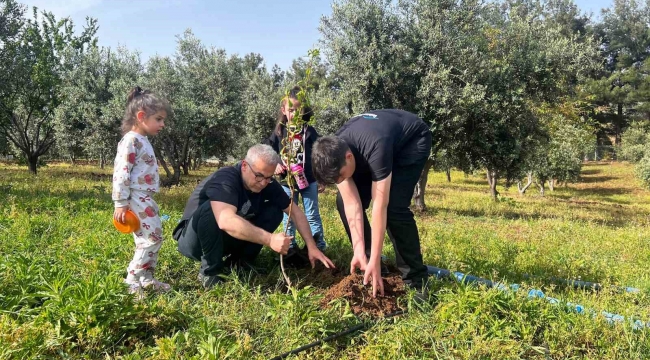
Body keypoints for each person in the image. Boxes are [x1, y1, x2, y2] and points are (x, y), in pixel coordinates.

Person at [173, 144, 335, 288]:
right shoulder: (226, 179)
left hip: (223, 240)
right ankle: (210, 271)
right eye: (259, 176)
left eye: (269, 177)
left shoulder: (267, 183)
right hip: (194, 242)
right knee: (214, 208)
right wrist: (270, 239)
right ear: (244, 166)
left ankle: (240, 263)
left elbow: (295, 212)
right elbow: (225, 220)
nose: (263, 182)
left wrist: (312, 246)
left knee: (274, 211)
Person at [311, 109, 432, 298]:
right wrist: (359, 250)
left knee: (394, 208)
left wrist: (376, 255)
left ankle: (416, 280)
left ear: (349, 157)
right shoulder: (336, 152)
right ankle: (367, 262)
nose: (340, 180)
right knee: (343, 200)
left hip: (411, 143)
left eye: (341, 176)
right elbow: (352, 205)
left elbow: (379, 206)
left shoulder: (376, 147)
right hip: (372, 146)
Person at [112, 86, 171, 296]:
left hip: (145, 197)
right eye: (158, 119)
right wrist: (120, 202)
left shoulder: (141, 140)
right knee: (151, 239)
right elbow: (121, 172)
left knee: (152, 237)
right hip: (136, 196)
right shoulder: (130, 140)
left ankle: (146, 278)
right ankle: (132, 280)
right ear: (141, 116)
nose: (162, 124)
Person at [264, 86, 327, 252]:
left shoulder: (309, 132)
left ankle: (317, 247)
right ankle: (290, 247)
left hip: (309, 180)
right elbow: (268, 151)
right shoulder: (279, 132)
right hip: (286, 183)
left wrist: (321, 177)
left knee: (312, 215)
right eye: (291, 110)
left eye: (299, 110)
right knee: (289, 215)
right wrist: (276, 163)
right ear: (283, 110)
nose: (295, 114)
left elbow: (318, 153)